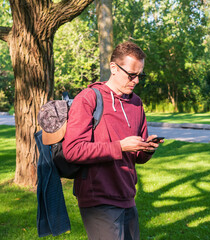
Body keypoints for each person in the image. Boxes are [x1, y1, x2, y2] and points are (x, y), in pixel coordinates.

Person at [62, 41, 163, 240]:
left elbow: (137, 157)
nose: (136, 81)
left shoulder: (136, 103)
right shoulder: (88, 98)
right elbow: (72, 150)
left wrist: (147, 149)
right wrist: (120, 146)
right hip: (97, 198)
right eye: (131, 75)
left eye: (140, 75)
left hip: (127, 195)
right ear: (114, 68)